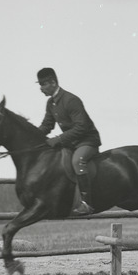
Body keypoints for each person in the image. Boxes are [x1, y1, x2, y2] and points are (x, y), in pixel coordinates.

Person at [36, 67, 102, 216]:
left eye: (43, 84)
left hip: (87, 141)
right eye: (40, 84)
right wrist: (32, 135)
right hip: (72, 142)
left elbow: (82, 127)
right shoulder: (51, 103)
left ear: (53, 82)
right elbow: (47, 125)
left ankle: (86, 203)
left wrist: (58, 139)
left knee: (77, 162)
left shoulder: (71, 100)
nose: (41, 88)